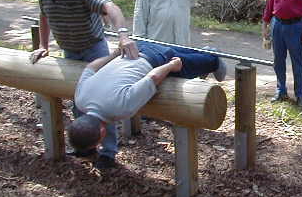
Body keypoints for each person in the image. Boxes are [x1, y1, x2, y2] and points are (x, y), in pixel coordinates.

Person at [27, 0, 139, 169]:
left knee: (102, 104)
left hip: (93, 49)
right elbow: (44, 15)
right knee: (79, 102)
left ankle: (108, 151)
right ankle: (87, 145)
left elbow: (111, 8)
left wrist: (124, 35)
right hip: (69, 51)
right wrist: (43, 45)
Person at [68, 40, 226, 164]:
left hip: (155, 57)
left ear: (102, 133)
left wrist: (171, 66)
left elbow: (154, 77)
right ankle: (205, 53)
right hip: (135, 49)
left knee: (181, 68)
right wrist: (115, 53)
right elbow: (90, 67)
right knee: (175, 53)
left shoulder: (121, 108)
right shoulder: (80, 98)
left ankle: (213, 60)